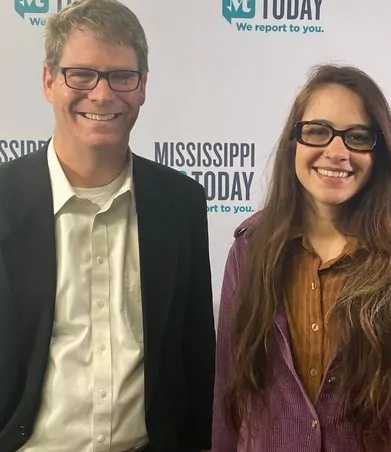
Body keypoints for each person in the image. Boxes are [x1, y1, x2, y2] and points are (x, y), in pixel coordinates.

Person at [211, 64, 391, 452]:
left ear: (379, 153)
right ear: (294, 141)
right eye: (317, 131)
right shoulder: (250, 248)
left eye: (357, 137)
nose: (336, 152)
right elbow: (230, 393)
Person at [0, 1, 216, 451]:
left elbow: (195, 355)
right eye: (81, 75)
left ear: (143, 87)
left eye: (122, 76)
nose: (102, 95)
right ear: (48, 81)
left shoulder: (181, 202)